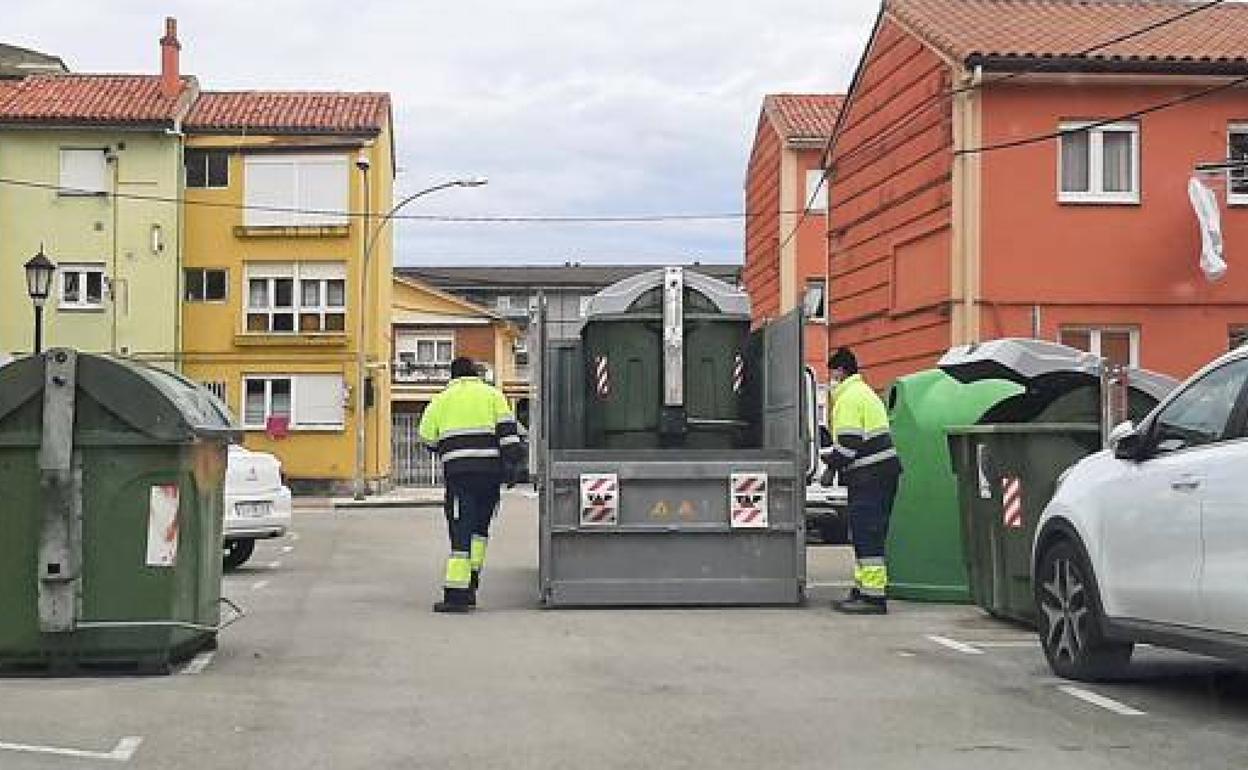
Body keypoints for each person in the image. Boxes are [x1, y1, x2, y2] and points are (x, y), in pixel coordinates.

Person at [419, 357, 524, 613]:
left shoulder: (441, 400)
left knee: (461, 533)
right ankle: (472, 580)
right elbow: (510, 436)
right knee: (479, 529)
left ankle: (457, 595)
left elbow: (427, 438)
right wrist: (511, 467)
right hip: (490, 475)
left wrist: (449, 447)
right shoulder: (493, 396)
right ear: (476, 374)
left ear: (452, 376)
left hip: (459, 477)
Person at [820, 347, 902, 615]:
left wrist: (828, 464)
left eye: (831, 374)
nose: (830, 379)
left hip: (870, 477)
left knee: (867, 534)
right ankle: (862, 590)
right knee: (864, 533)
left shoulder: (849, 398)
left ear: (841, 372)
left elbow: (848, 446)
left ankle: (873, 598)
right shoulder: (864, 393)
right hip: (877, 475)